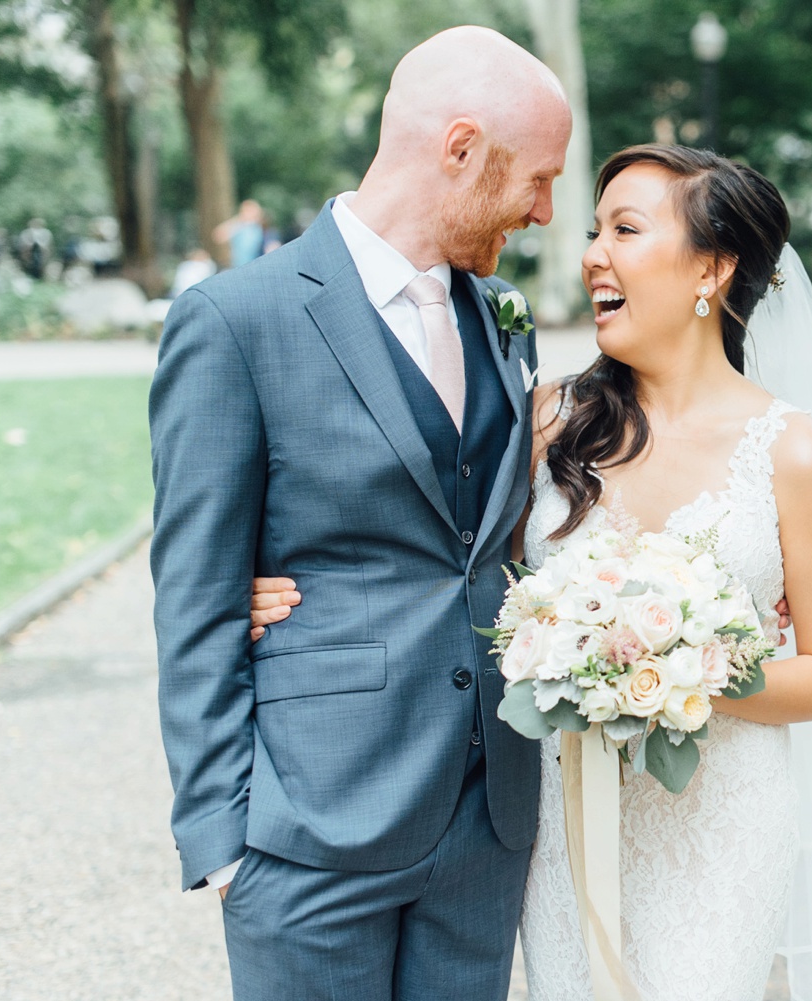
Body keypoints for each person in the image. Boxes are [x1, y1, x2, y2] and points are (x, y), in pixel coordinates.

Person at [247, 146, 812, 998]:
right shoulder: (548, 421)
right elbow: (433, 554)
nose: (592, 252)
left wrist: (669, 672)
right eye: (596, 229)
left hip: (722, 820)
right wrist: (267, 584)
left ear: (712, 267)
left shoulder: (794, 452)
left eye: (626, 230)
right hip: (563, 811)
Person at [150, 27, 572, 1000]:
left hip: (485, 827)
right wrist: (223, 843)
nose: (547, 211)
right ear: (460, 149)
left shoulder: (503, 314)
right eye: (538, 180)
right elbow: (194, 596)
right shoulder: (236, 321)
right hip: (311, 832)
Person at [212, 198, 267, 268]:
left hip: (254, 265)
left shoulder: (259, 229)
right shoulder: (238, 226)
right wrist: (239, 220)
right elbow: (218, 236)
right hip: (238, 266)